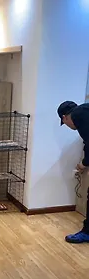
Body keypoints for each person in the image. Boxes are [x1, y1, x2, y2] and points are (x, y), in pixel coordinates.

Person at [58, 100, 89, 243]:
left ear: (65, 117)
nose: (70, 127)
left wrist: (84, 163)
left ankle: (87, 233)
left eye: (64, 123)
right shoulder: (84, 110)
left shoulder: (78, 115)